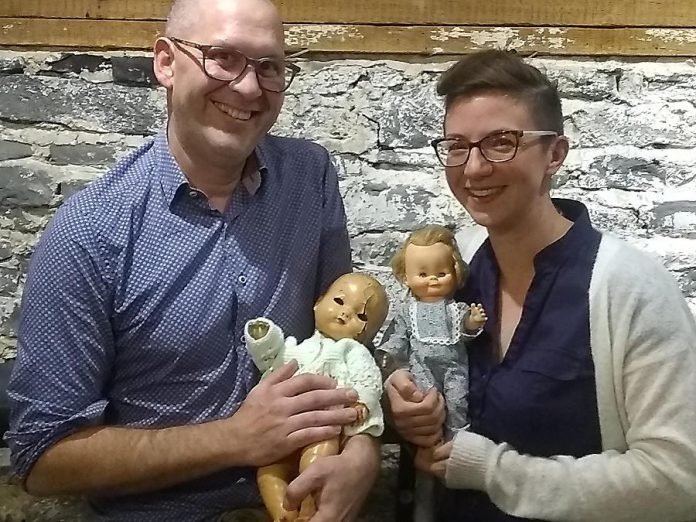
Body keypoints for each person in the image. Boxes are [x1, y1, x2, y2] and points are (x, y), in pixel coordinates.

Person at [5, 0, 380, 520]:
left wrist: (364, 454)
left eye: (269, 67)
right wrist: (234, 439)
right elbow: (39, 456)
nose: (249, 88)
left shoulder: (310, 178)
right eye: (223, 57)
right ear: (165, 62)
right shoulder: (88, 233)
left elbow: (343, 345)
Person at [386, 49, 696, 522]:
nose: (473, 169)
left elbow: (677, 480)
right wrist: (403, 393)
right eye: (456, 146)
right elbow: (417, 350)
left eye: (501, 142)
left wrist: (493, 471)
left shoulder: (631, 289)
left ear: (555, 154)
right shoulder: (459, 264)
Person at [245, 272, 387, 521]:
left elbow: (368, 376)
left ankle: (309, 509)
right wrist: (264, 338)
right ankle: (283, 514)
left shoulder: (351, 350)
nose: (345, 313)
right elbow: (271, 361)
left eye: (361, 315)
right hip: (280, 431)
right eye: (339, 301)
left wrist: (363, 399)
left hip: (322, 428)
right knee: (268, 473)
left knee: (316, 463)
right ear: (318, 302)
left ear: (366, 334)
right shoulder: (296, 348)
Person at [379, 225, 486, 440]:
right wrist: (390, 359)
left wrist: (473, 322)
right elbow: (397, 337)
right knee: (425, 408)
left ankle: (458, 439)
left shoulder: (456, 308)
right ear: (406, 277)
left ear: (455, 273)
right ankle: (430, 447)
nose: (433, 279)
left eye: (441, 273)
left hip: (454, 367)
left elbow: (465, 333)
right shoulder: (407, 311)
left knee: (458, 402)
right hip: (422, 368)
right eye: (423, 274)